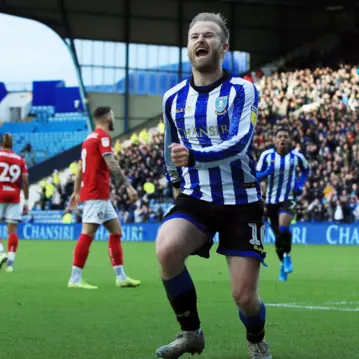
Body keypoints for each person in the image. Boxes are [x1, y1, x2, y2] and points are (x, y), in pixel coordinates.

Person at [154, 13, 272, 359]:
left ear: (224, 47)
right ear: (188, 46)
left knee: (244, 297)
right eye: (194, 36)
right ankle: (191, 333)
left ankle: (256, 337)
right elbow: (169, 147)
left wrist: (193, 157)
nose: (200, 41)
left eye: (208, 35)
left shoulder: (243, 90)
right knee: (167, 249)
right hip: (196, 197)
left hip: (241, 201)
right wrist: (176, 181)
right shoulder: (173, 98)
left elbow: (240, 143)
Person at [67, 106, 140, 289]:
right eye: (113, 116)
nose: (113, 119)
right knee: (87, 233)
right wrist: (128, 187)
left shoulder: (88, 139)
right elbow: (111, 163)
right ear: (108, 118)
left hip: (97, 194)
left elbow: (79, 168)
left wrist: (76, 192)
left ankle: (121, 276)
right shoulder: (102, 137)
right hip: (96, 193)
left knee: (116, 231)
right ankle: (75, 279)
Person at [256, 127, 309, 281]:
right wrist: (266, 173)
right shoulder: (267, 156)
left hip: (288, 198)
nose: (282, 139)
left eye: (285, 136)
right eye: (279, 136)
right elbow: (256, 175)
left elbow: (306, 170)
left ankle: (287, 257)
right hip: (271, 201)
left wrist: (300, 185)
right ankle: (283, 260)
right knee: (279, 236)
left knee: (284, 227)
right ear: (274, 140)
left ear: (290, 140)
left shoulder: (297, 157)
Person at [0, 133, 29, 272]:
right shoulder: (20, 159)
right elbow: (25, 182)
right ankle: (10, 264)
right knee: (12, 230)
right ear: (12, 145)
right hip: (14, 196)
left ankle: (1, 253)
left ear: (0, 144)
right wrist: (25, 201)